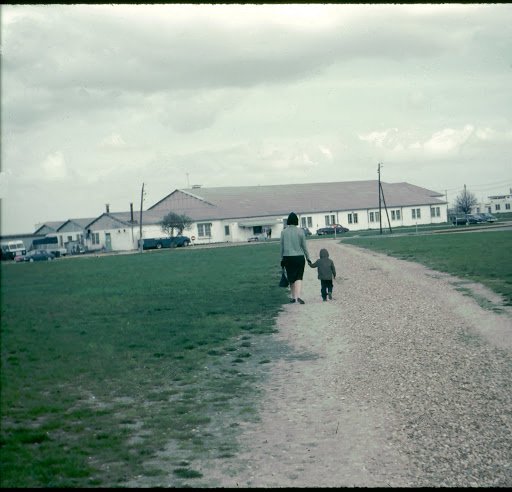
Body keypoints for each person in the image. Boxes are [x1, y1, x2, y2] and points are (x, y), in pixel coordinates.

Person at [280, 212, 311, 304]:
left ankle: (293, 297)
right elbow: (304, 247)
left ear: (288, 221)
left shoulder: (283, 232)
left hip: (287, 257)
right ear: (296, 220)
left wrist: (281, 259)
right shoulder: (300, 231)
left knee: (291, 277)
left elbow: (281, 247)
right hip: (299, 257)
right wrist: (308, 258)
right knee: (298, 277)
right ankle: (298, 297)